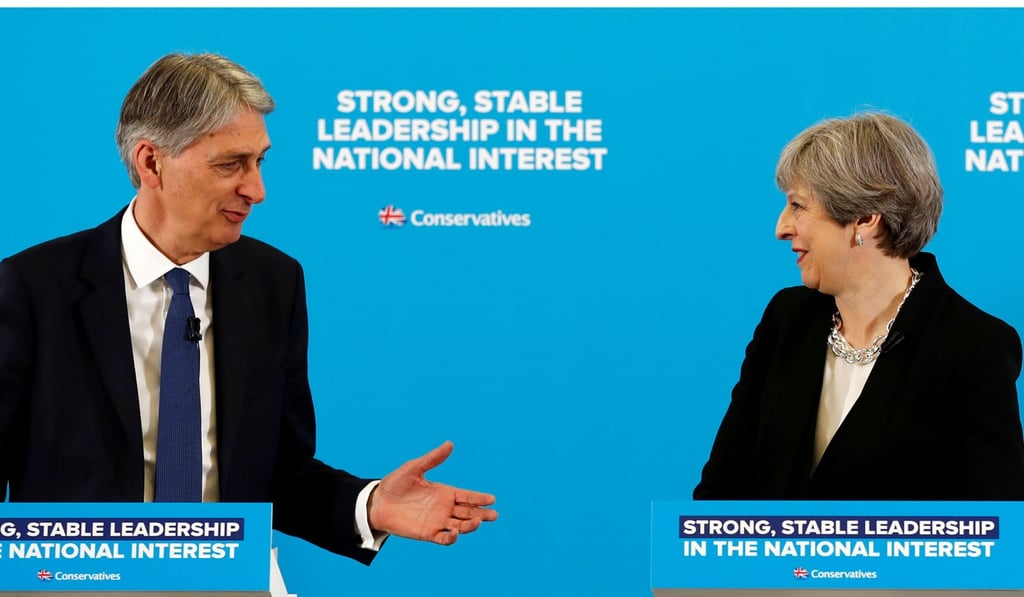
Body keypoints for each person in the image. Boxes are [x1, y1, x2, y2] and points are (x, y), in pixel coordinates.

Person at [0, 52, 496, 563]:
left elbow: (279, 473)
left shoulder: (272, 283)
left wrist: (368, 507)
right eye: (230, 165)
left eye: (259, 161)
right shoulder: (31, 289)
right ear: (151, 162)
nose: (256, 190)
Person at [694, 112, 1024, 500]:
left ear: (865, 218)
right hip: (776, 566)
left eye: (799, 206)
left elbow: (987, 533)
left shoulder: (972, 344)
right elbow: (720, 497)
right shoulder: (786, 319)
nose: (781, 227)